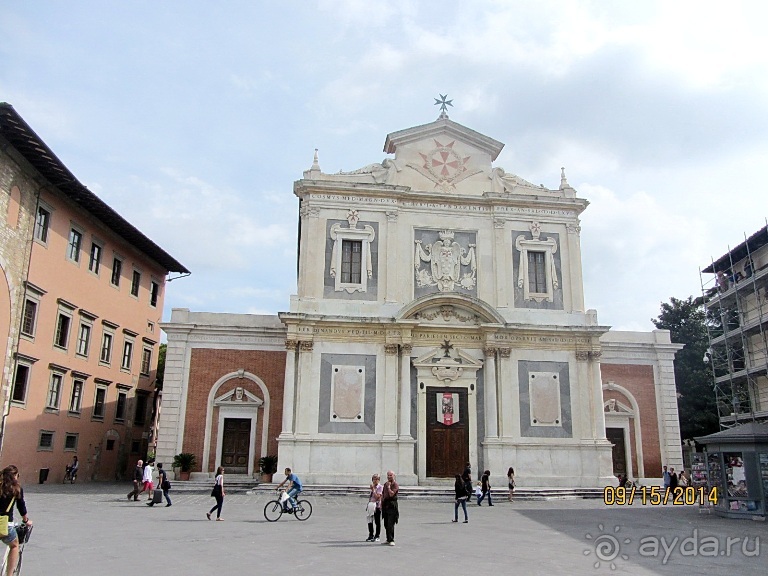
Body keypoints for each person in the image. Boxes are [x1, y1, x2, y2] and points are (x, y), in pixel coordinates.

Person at [1, 465, 32, 576]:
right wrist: (26, 520)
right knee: (14, 546)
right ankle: (9, 574)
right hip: (5, 525)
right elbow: (21, 507)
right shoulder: (16, 489)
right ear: (15, 476)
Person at [381, 470, 399, 546]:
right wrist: (381, 505)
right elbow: (383, 495)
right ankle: (388, 539)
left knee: (390, 523)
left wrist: (388, 487)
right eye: (388, 475)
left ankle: (392, 539)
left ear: (394, 476)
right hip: (386, 505)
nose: (389, 477)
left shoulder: (395, 485)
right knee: (386, 523)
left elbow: (391, 494)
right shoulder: (385, 484)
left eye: (390, 475)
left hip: (392, 505)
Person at [365, 473, 383, 542]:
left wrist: (373, 490)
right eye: (374, 479)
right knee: (369, 520)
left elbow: (378, 497)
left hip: (377, 506)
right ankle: (371, 534)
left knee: (377, 521)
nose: (375, 481)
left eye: (376, 479)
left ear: (379, 480)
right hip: (371, 505)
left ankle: (377, 535)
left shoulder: (380, 487)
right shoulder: (373, 487)